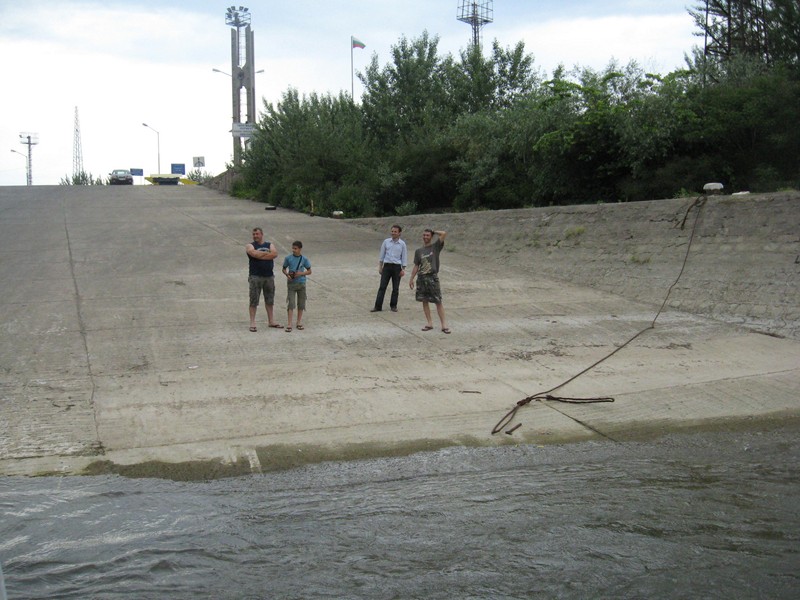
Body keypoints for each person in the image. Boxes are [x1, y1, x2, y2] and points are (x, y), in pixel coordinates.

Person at [409, 228, 450, 334]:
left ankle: (444, 325)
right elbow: (416, 265)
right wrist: (411, 278)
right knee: (424, 300)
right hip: (422, 278)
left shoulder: (435, 247)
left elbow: (444, 233)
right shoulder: (419, 251)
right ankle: (429, 323)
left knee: (438, 301)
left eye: (427, 235)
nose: (425, 237)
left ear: (431, 237)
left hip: (432, 277)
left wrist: (434, 231)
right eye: (424, 235)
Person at [246, 227, 281, 332]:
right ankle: (252, 322)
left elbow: (275, 254)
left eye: (257, 234)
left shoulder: (270, 245)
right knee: (254, 300)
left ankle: (271, 321)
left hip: (269, 276)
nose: (255, 236)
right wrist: (267, 254)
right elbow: (253, 253)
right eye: (254, 234)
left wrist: (259, 255)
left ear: (262, 234)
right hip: (255, 276)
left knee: (270, 299)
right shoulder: (250, 245)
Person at [371, 224, 407, 313]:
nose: (393, 233)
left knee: (395, 288)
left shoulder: (402, 244)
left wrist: (403, 269)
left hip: (397, 267)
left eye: (395, 232)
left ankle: (393, 305)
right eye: (392, 231)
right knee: (382, 286)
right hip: (387, 266)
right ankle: (378, 306)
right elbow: (382, 255)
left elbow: (404, 257)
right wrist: (380, 266)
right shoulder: (386, 242)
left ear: (399, 233)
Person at [282, 240, 312, 332]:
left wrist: (301, 273)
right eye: (293, 248)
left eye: (295, 248)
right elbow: (283, 268)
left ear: (300, 249)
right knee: (291, 303)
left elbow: (309, 271)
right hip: (291, 283)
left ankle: (298, 322)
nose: (293, 250)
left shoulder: (304, 259)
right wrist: (287, 274)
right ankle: (289, 323)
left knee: (301, 303)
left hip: (301, 283)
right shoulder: (288, 258)